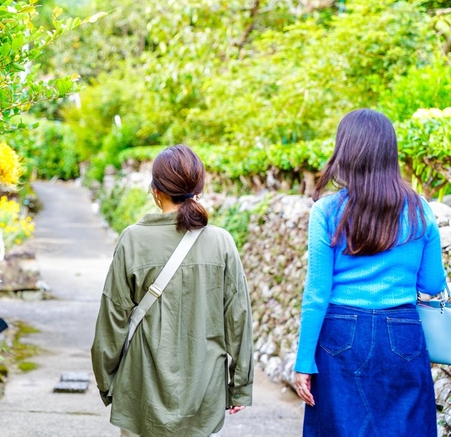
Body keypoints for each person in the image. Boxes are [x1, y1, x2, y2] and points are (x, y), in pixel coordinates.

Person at [293, 109, 446, 436]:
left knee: (341, 427)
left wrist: (304, 362)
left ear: (345, 151)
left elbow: (316, 295)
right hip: (403, 331)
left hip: (340, 332)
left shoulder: (326, 211)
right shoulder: (420, 209)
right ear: (389, 152)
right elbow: (433, 283)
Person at [91, 145, 253, 437]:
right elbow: (238, 318)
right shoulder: (221, 243)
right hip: (203, 390)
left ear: (156, 190)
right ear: (199, 189)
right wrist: (239, 385)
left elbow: (112, 319)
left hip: (141, 389)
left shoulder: (133, 240)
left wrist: (107, 381)